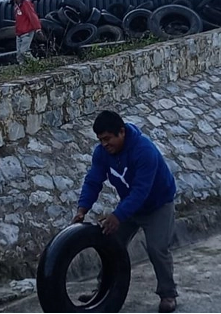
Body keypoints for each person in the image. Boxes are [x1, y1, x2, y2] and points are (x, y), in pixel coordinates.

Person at [73, 110, 179, 313]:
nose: (104, 144)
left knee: (157, 248)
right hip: (130, 204)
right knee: (109, 244)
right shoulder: (102, 153)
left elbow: (141, 191)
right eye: (100, 140)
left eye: (107, 138)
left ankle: (168, 294)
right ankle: (101, 290)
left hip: (158, 205)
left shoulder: (144, 150)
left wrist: (117, 216)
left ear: (121, 132)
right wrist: (82, 209)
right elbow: (93, 180)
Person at [9, 0, 42, 64]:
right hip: (19, 33)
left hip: (27, 32)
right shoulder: (17, 6)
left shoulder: (26, 4)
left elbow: (32, 16)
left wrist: (38, 28)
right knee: (19, 55)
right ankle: (23, 68)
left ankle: (36, 64)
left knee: (24, 51)